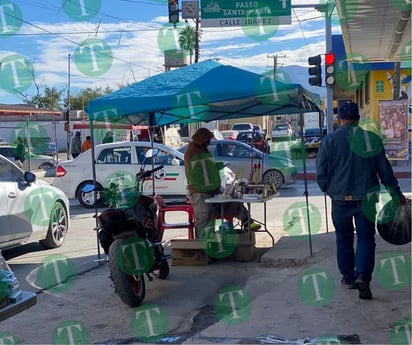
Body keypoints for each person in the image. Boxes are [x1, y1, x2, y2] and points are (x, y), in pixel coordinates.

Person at [316, 101, 406, 300]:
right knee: (366, 238)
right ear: (358, 119)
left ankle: (348, 277)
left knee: (343, 238)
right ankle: (363, 276)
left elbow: (321, 173)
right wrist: (396, 194)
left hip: (340, 199)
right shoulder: (371, 139)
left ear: (339, 119)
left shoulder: (329, 141)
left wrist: (329, 190)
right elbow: (385, 172)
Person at [184, 127, 261, 239]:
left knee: (233, 202)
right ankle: (202, 247)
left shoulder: (203, 150)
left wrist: (218, 166)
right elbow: (195, 175)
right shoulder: (192, 152)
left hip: (211, 190)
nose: (209, 143)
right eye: (208, 140)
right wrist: (209, 188)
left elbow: (207, 167)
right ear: (202, 140)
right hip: (200, 193)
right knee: (204, 220)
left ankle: (247, 221)